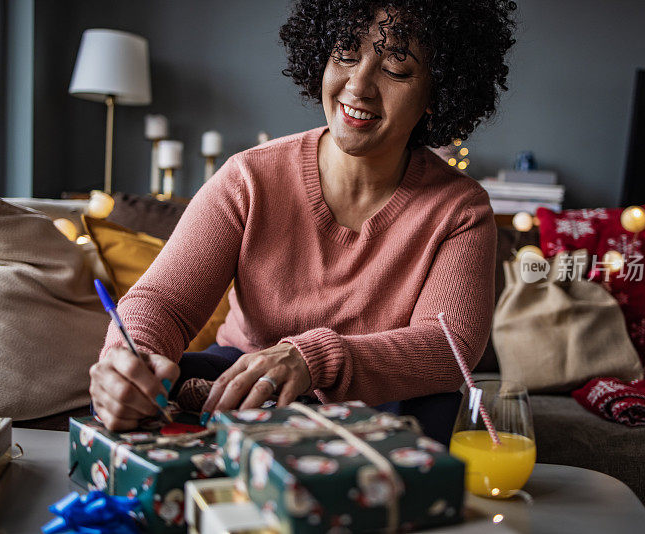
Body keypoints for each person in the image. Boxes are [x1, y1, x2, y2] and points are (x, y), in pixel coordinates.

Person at [89, 0, 516, 443]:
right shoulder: (249, 178)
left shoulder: (460, 208)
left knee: (435, 400)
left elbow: (449, 348)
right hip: (245, 383)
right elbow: (164, 302)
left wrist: (314, 358)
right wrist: (130, 361)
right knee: (175, 380)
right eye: (346, 52)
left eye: (397, 68)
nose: (359, 85)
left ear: (437, 93)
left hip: (377, 403)